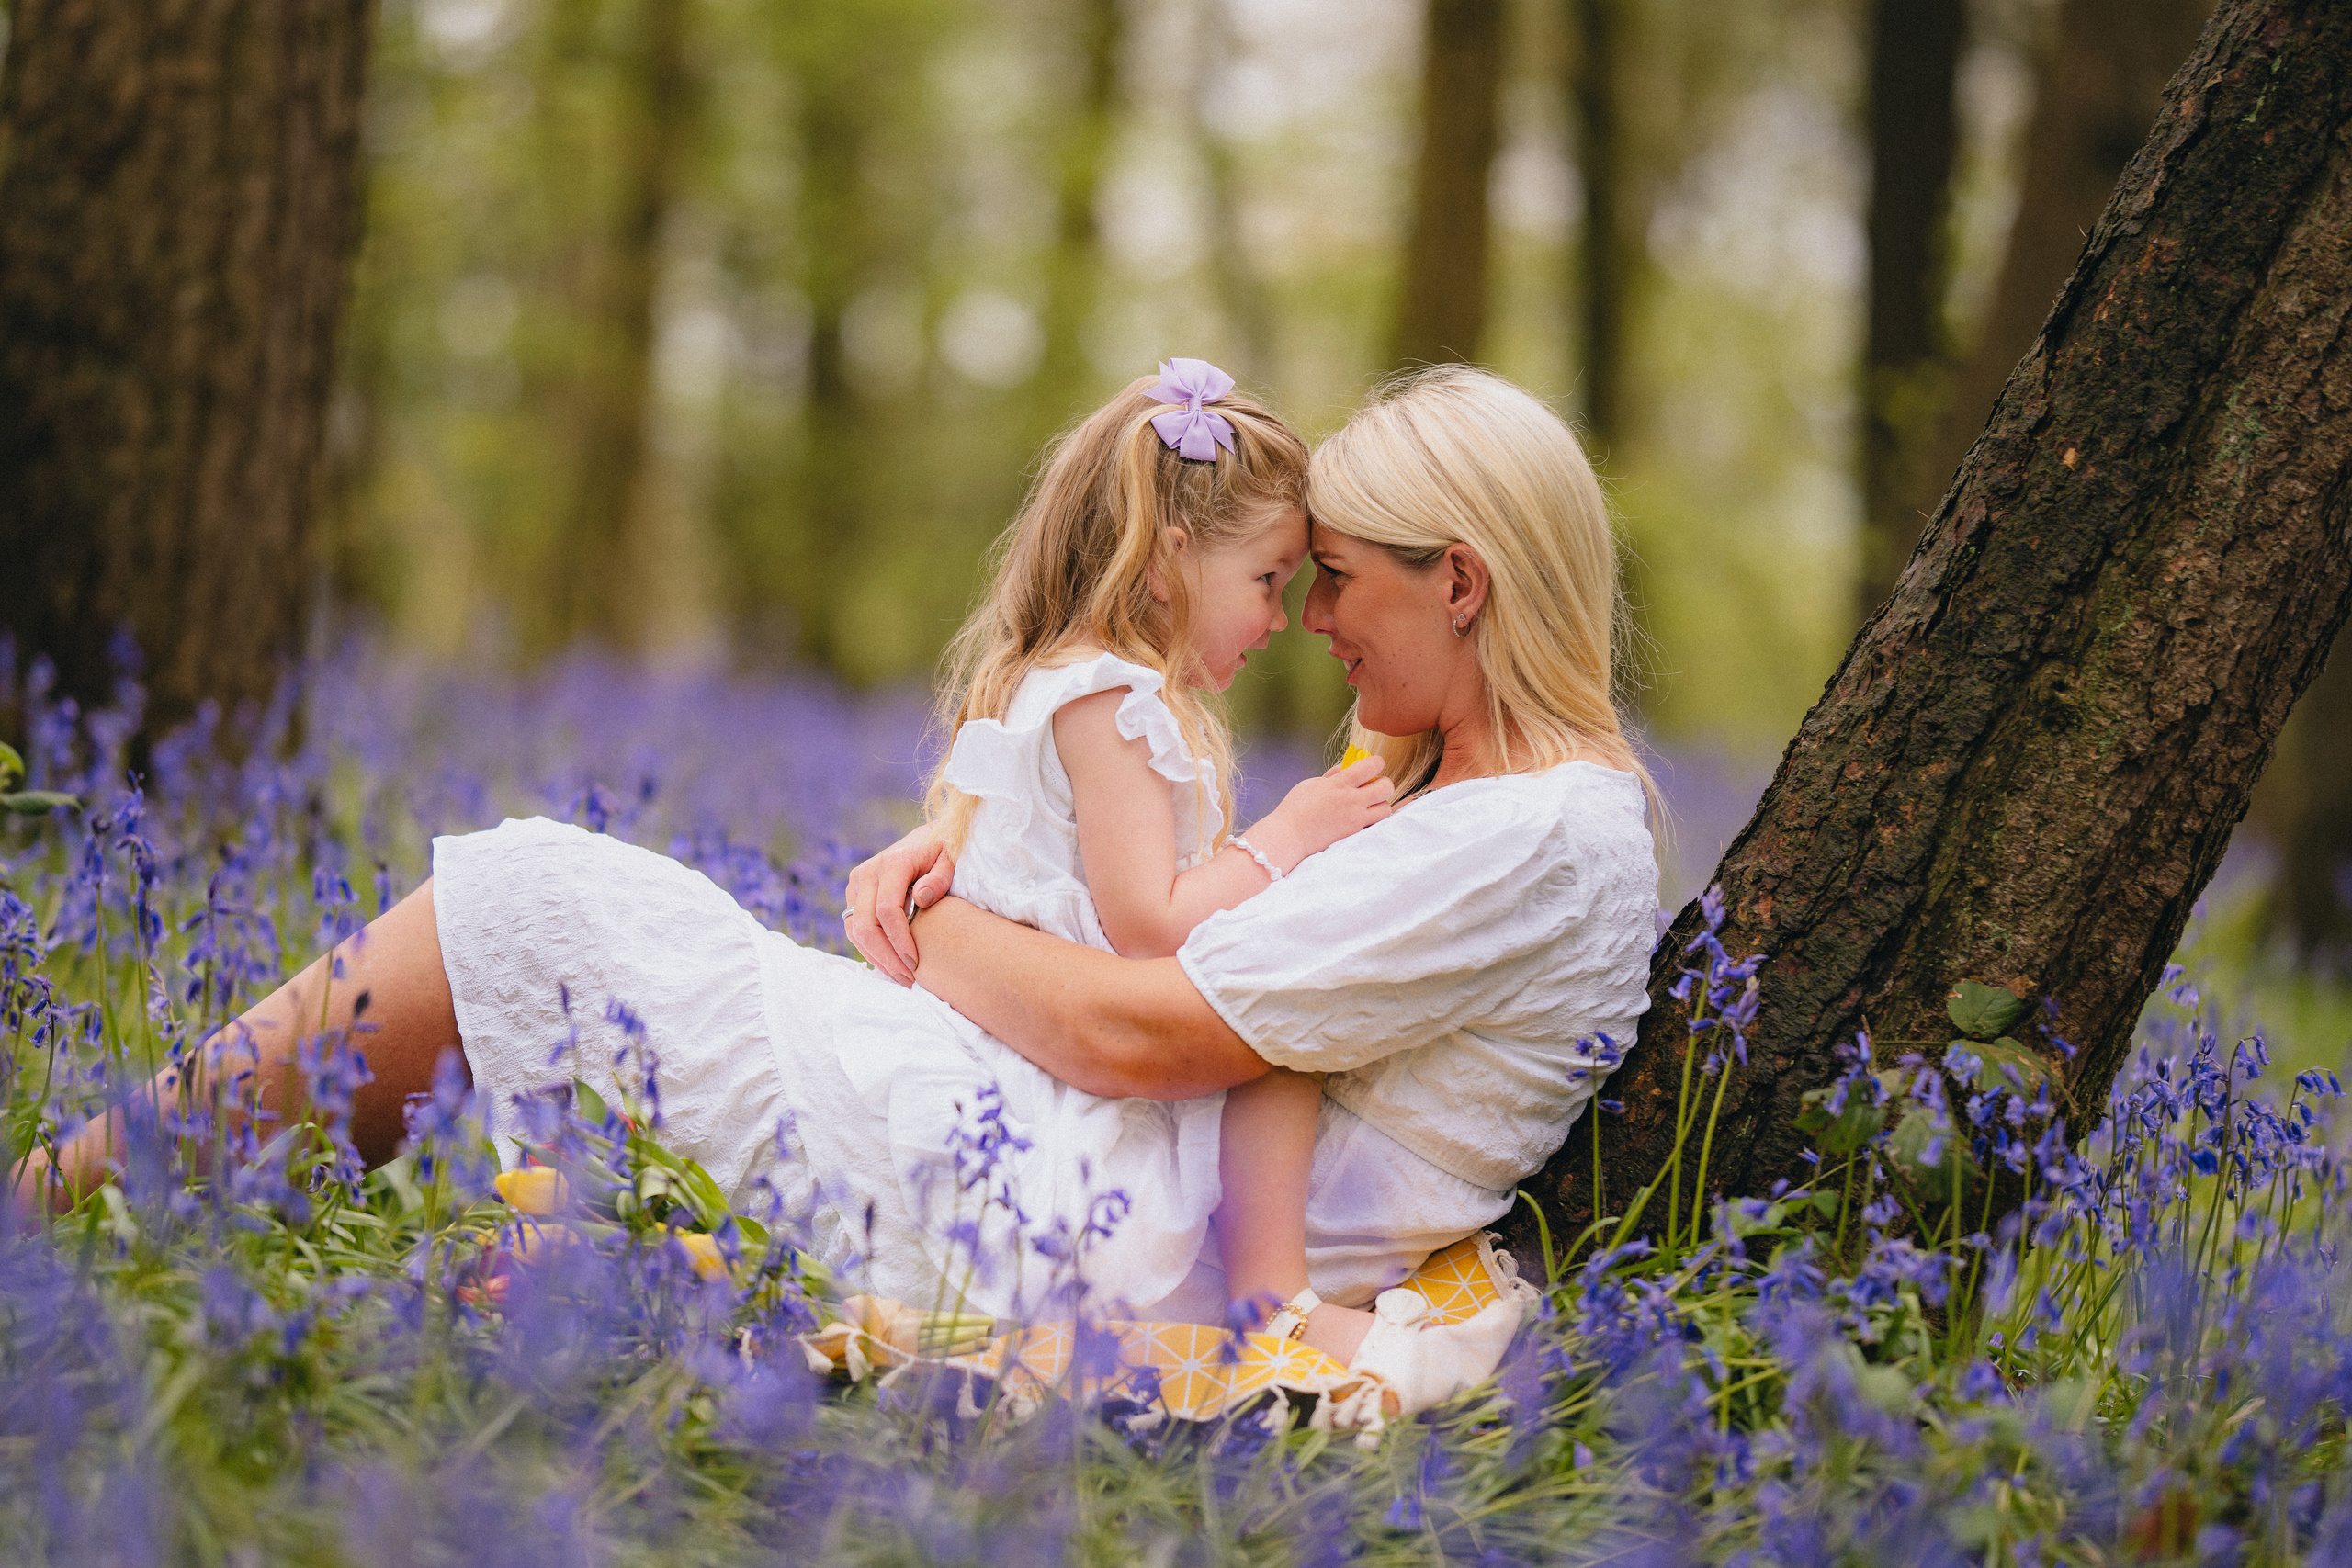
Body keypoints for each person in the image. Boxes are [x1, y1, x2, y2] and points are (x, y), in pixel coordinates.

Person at [26, 365, 1657, 1416]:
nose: (1313, 623)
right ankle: (94, 1228)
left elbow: (1147, 1032)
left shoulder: (1534, 834)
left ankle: (59, 1223)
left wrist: (939, 925)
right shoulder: (1464, 803)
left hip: (1085, 1212)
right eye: (1295, 582)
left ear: (1462, 582)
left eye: (1342, 582)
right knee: (544, 909)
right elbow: (1195, 978)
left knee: (534, 902)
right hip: (1093, 1164)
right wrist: (979, 870)